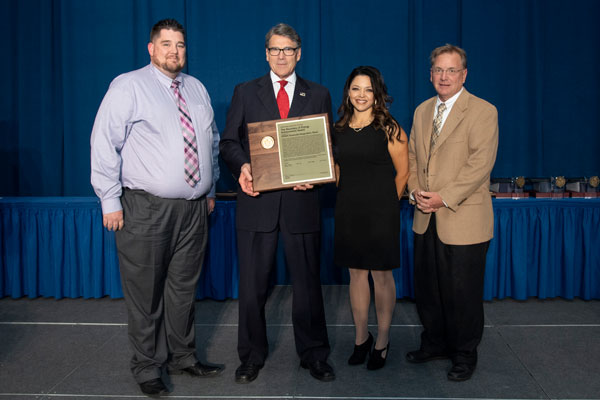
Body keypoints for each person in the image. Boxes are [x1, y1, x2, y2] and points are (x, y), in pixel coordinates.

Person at [90, 19, 222, 396]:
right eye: (166, 44)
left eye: (180, 45)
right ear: (151, 48)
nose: (173, 51)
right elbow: (104, 143)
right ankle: (148, 367)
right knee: (145, 293)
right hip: (145, 208)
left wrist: (210, 189)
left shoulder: (196, 88)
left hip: (194, 209)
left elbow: (209, 142)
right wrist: (110, 199)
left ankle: (183, 357)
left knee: (183, 289)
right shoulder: (128, 86)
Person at [219, 23, 335, 383]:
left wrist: (319, 171)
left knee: (307, 285)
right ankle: (251, 355)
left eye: (288, 49)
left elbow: (327, 146)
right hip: (257, 202)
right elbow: (228, 143)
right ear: (265, 53)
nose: (281, 56)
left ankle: (314, 354)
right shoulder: (245, 92)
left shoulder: (318, 94)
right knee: (253, 286)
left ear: (299, 53)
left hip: (302, 204)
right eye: (275, 49)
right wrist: (243, 165)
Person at [405, 44, 498, 381]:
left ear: (464, 75)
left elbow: (479, 166)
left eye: (451, 70)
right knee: (428, 288)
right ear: (431, 75)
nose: (444, 77)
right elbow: (413, 157)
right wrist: (415, 191)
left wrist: (442, 198)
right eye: (438, 71)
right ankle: (434, 342)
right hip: (424, 215)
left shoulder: (484, 111)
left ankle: (463, 353)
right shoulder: (421, 111)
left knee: (463, 292)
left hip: (463, 219)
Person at [333, 66, 409, 370]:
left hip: (381, 212)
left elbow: (403, 173)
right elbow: (336, 171)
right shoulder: (338, 128)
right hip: (348, 210)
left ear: (377, 94)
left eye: (368, 89)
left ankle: (383, 340)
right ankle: (361, 338)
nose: (361, 95)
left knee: (381, 275)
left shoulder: (390, 128)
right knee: (356, 274)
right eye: (355, 89)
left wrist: (388, 205)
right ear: (348, 93)